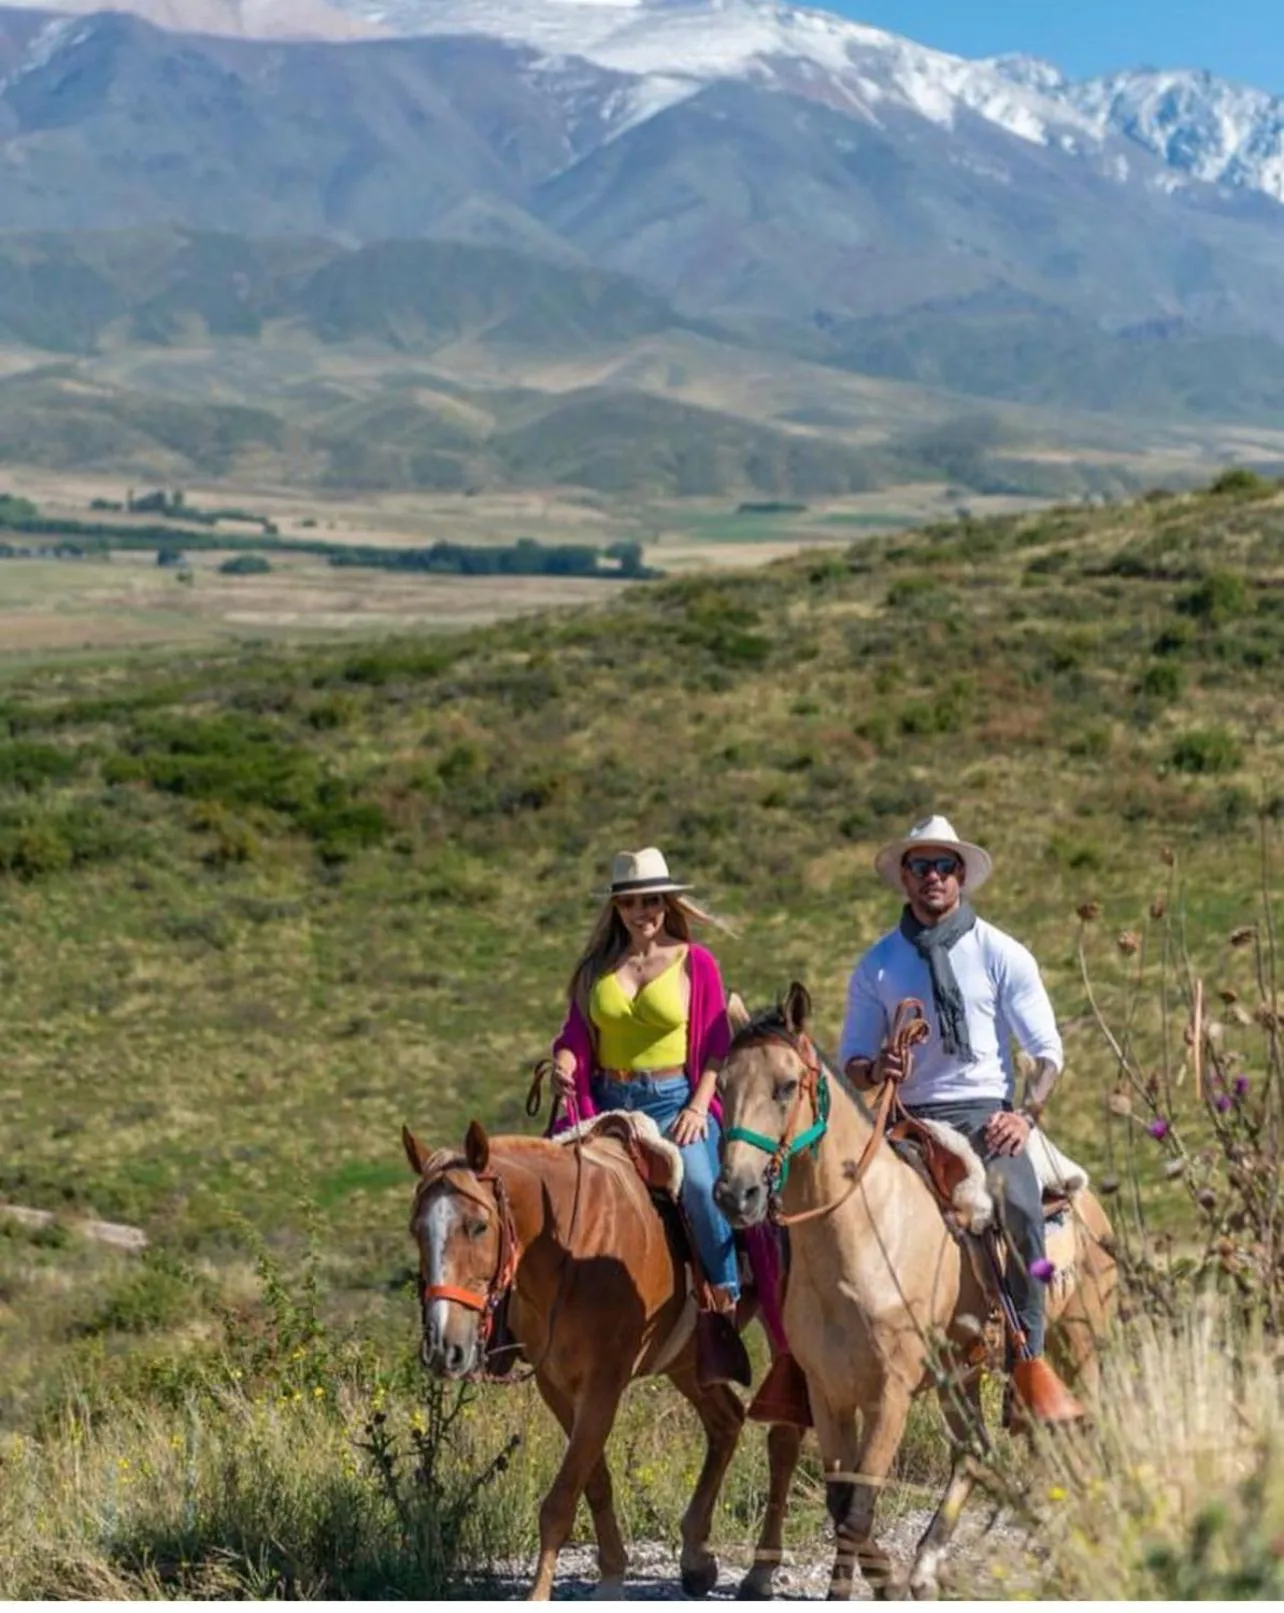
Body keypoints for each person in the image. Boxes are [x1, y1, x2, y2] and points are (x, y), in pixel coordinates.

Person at [838, 814, 1076, 1418]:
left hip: (985, 1114)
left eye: (944, 866)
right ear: (905, 878)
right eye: (921, 867)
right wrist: (877, 1066)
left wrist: (1025, 1116)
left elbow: (1046, 1053)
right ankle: (816, 1356)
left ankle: (1028, 1357)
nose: (933, 877)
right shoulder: (879, 965)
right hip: (906, 1116)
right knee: (830, 1206)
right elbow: (853, 1060)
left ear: (961, 875)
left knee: (1021, 1209)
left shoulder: (1001, 952)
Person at [548, 846, 754, 1389]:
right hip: (606, 1100)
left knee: (703, 1186)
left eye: (654, 900)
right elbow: (575, 1034)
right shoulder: (595, 971)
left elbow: (716, 1042)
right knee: (548, 1184)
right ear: (617, 908)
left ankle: (722, 1301)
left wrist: (695, 1106)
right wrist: (564, 1063)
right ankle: (524, 1315)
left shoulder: (695, 962)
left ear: (668, 902)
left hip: (673, 1100)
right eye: (635, 901)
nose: (646, 911)